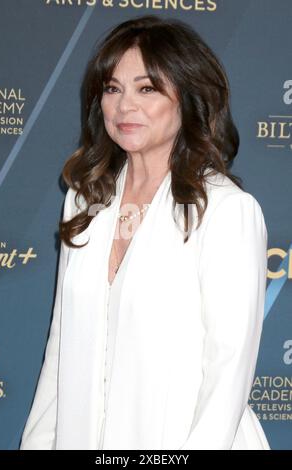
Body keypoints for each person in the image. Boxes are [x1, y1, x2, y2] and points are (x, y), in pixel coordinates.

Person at [19, 15, 270, 450]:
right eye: (112, 89)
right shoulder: (85, 201)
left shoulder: (226, 211)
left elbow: (227, 373)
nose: (124, 107)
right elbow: (62, 350)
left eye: (147, 88)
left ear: (188, 97)